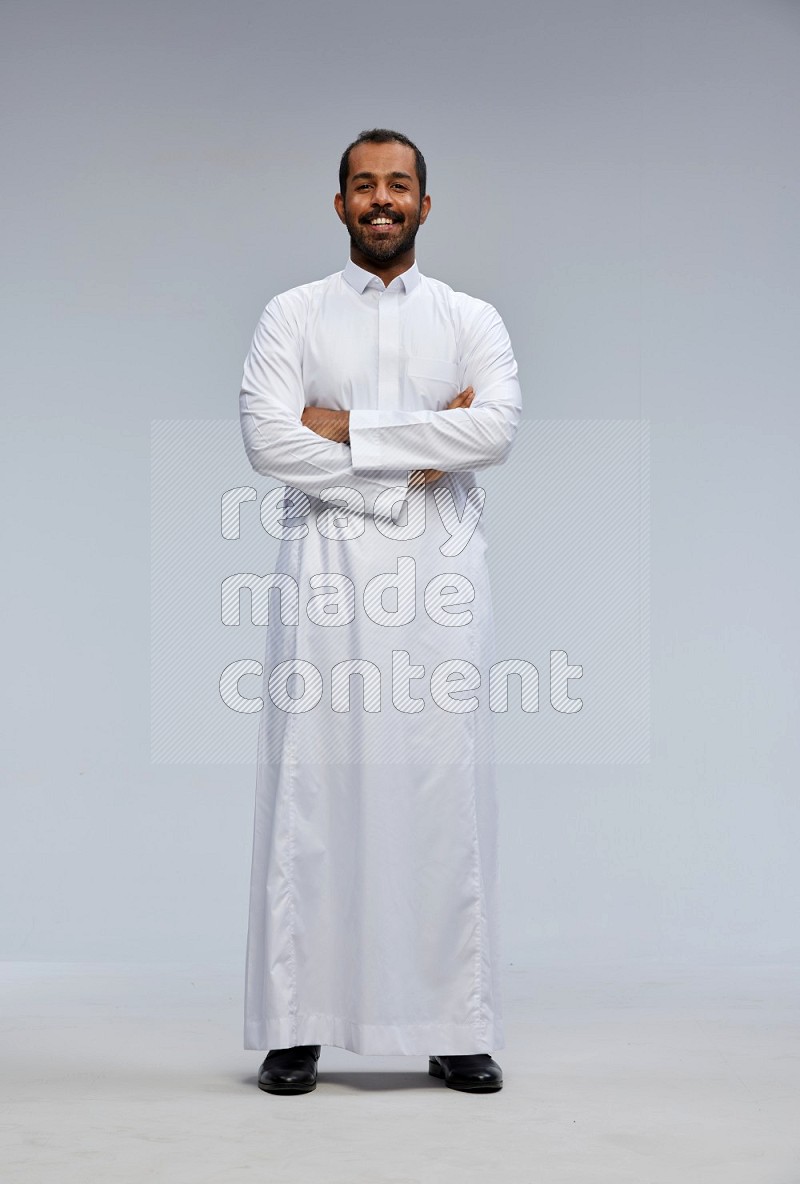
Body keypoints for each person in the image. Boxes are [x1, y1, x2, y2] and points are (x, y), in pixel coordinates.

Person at [238, 128, 522, 1094]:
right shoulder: (293, 315)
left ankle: (454, 1023)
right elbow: (270, 442)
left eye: (399, 184)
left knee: (440, 789)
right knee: (316, 789)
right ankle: (297, 1023)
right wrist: (407, 465)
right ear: (340, 205)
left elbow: (496, 427)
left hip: (442, 581)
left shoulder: (469, 316)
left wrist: (351, 429)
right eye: (364, 185)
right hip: (326, 571)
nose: (382, 198)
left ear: (426, 205)